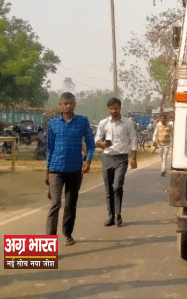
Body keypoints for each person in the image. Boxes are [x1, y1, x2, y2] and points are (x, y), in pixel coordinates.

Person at [45, 92, 95, 246]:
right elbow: (49, 148)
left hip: (74, 169)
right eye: (65, 103)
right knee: (55, 204)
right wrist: (47, 171)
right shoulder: (53, 123)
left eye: (71, 103)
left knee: (70, 203)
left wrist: (88, 160)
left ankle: (67, 233)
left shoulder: (82, 121)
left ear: (75, 104)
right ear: (60, 104)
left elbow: (91, 143)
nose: (68, 106)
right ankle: (49, 242)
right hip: (55, 169)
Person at [95, 98, 137, 227]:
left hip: (121, 158)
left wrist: (134, 158)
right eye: (111, 109)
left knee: (117, 186)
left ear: (120, 108)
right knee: (108, 189)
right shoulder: (104, 123)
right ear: (108, 109)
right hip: (107, 157)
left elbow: (133, 140)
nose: (114, 111)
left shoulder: (128, 123)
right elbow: (97, 138)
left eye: (116, 108)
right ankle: (111, 216)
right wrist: (101, 143)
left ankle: (118, 213)